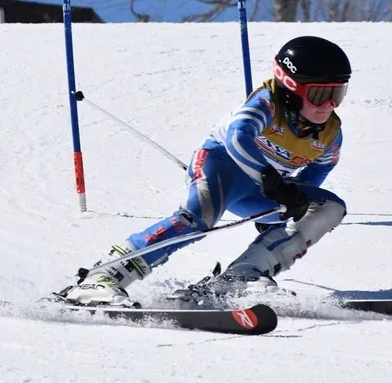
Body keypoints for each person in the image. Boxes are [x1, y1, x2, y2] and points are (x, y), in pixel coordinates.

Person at [58, 35, 351, 307]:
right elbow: (238, 137)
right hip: (221, 167)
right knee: (199, 218)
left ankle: (242, 278)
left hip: (260, 192)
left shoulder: (329, 135)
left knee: (329, 207)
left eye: (337, 94)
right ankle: (102, 277)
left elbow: (312, 180)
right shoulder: (266, 103)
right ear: (290, 85)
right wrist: (270, 181)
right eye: (319, 93)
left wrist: (291, 206)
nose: (329, 105)